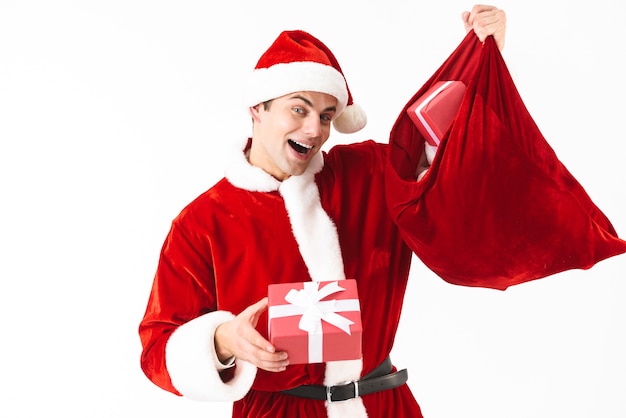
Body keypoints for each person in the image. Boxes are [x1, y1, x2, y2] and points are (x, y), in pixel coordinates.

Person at [139, 5, 507, 418]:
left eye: (326, 115)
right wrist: (223, 340)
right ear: (257, 108)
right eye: (299, 109)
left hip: (384, 405)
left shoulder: (369, 174)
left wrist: (484, 58)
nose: (314, 130)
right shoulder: (201, 223)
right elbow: (157, 349)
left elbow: (450, 159)